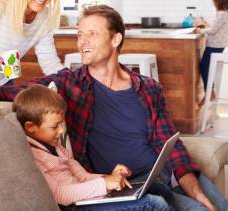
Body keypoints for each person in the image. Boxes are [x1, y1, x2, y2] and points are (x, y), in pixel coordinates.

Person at [0, 5, 228, 211]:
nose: (82, 42)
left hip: (163, 174)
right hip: (124, 184)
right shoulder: (71, 83)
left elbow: (170, 143)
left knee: (219, 206)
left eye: (92, 33)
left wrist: (192, 186)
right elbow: (16, 89)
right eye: (80, 34)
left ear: (115, 39)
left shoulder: (148, 88)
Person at [13, 84, 173, 210]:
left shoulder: (57, 148)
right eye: (55, 127)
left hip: (87, 200)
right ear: (30, 127)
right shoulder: (32, 156)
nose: (62, 131)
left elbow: (83, 177)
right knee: (154, 204)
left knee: (155, 187)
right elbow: (60, 195)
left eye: (61, 124)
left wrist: (110, 178)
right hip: (74, 207)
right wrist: (104, 184)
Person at [194, 0, 228, 105]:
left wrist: (200, 30)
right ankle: (210, 91)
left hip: (215, 45)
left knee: (203, 67)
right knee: (207, 67)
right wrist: (206, 24)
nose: (213, 3)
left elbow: (212, 31)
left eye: (214, 0)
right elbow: (217, 27)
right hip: (223, 45)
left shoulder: (221, 13)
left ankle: (209, 92)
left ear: (219, 1)